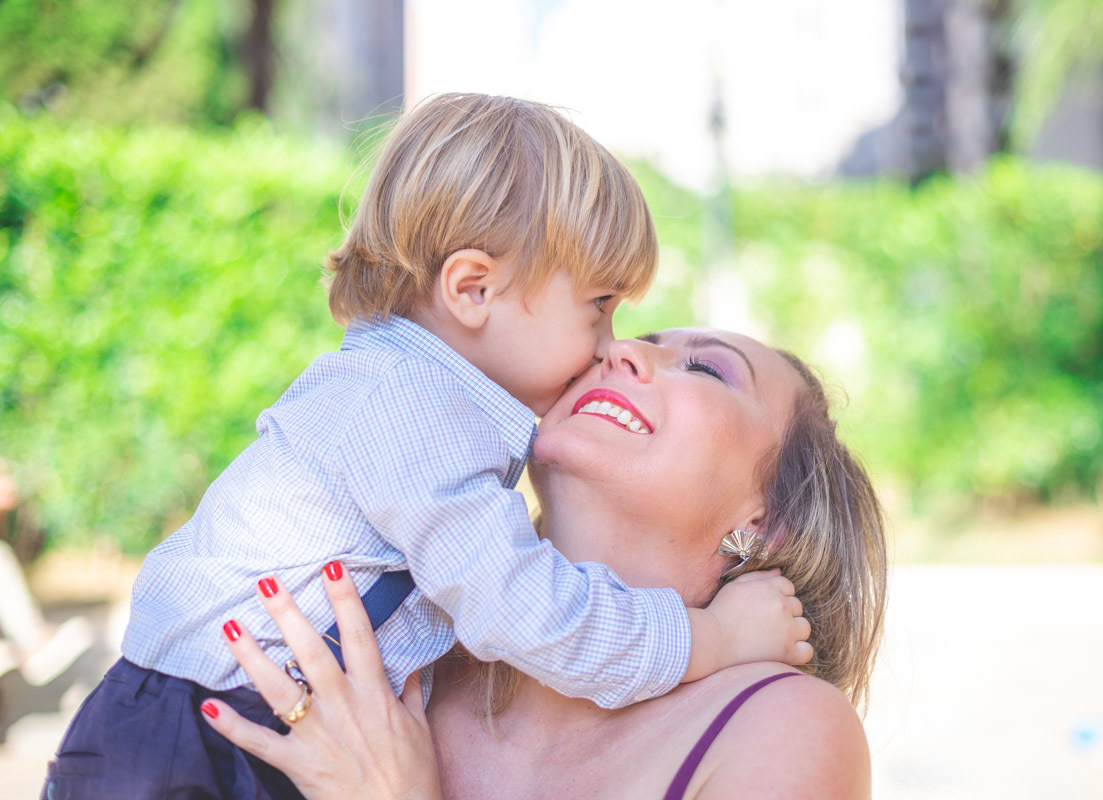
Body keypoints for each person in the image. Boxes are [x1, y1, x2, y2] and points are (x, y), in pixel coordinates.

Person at [42, 96, 809, 800]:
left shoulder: (399, 394)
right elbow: (533, 615)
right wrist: (712, 636)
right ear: (472, 289)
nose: (611, 348)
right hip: (197, 744)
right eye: (600, 307)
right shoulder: (414, 414)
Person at [204, 328, 889, 799]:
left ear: (769, 523)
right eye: (631, 338)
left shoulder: (782, 726)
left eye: (705, 368)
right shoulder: (406, 654)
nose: (617, 350)